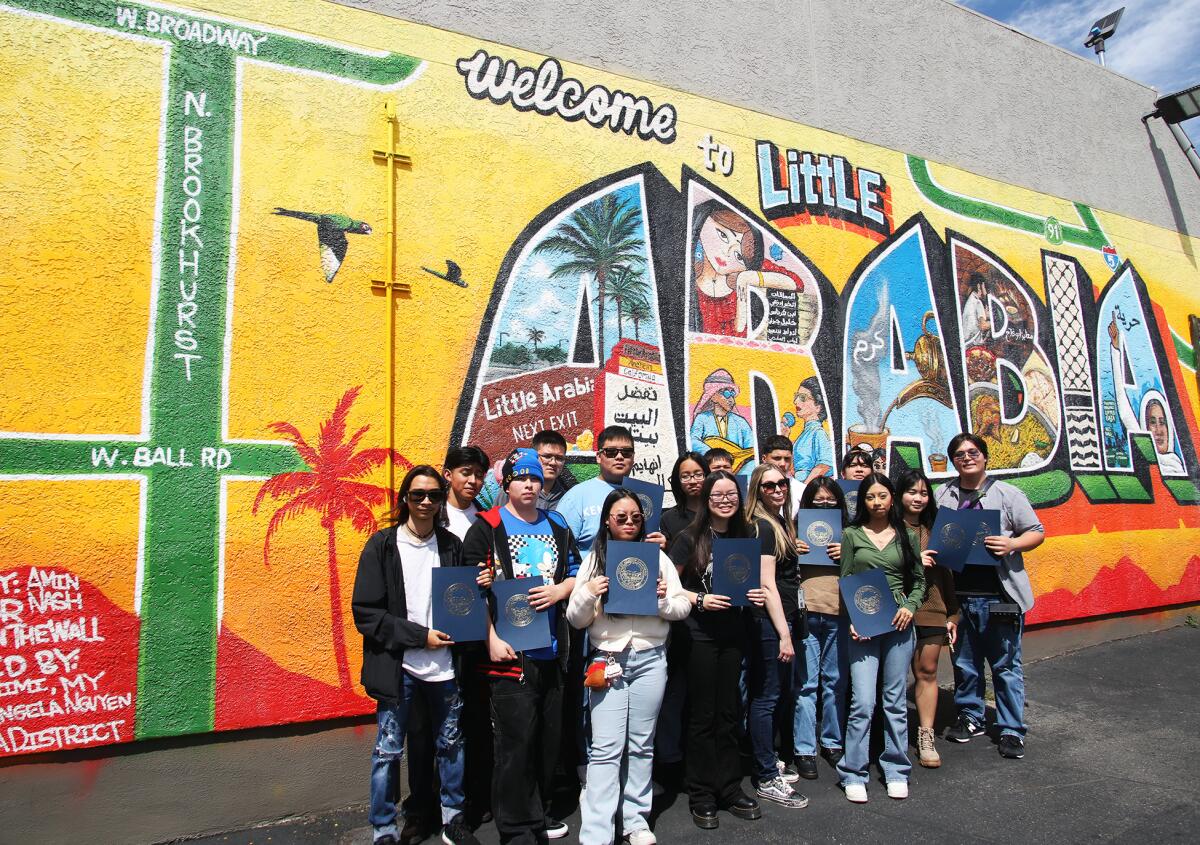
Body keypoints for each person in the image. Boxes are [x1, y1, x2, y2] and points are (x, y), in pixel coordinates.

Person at [351, 466, 486, 845]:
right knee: (388, 752)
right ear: (405, 499)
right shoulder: (382, 545)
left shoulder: (450, 545)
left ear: (442, 500)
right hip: (401, 669)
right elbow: (366, 613)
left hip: (445, 669)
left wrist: (480, 586)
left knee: (451, 745)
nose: (426, 502)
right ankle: (384, 829)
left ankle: (453, 819)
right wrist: (419, 636)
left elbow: (460, 602)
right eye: (417, 495)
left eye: (433, 495)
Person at [462, 449, 581, 843]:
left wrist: (561, 588)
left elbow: (579, 573)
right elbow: (467, 592)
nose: (529, 485)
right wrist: (490, 637)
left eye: (534, 478)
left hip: (551, 648)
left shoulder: (558, 524)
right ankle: (514, 826)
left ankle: (540, 812)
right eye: (521, 478)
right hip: (510, 654)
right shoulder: (487, 526)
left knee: (548, 739)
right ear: (506, 484)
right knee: (515, 741)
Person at [567, 489, 691, 845]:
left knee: (641, 745)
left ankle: (635, 820)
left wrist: (664, 599)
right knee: (605, 748)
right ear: (607, 519)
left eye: (635, 517)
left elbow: (681, 608)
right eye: (621, 517)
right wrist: (590, 591)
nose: (628, 523)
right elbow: (576, 620)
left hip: (651, 660)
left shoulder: (657, 558)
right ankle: (597, 830)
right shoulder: (594, 559)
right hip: (608, 661)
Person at [936, 433, 1045, 760]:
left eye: (972, 452)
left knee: (1006, 664)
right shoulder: (944, 495)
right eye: (959, 454)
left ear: (985, 457)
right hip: (959, 597)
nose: (966, 458)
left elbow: (1036, 531)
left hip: (1000, 595)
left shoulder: (1008, 494)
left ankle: (1012, 729)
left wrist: (1012, 544)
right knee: (965, 663)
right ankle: (971, 717)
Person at [670, 470, 766, 829]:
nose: (725, 500)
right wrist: (700, 599)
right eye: (717, 495)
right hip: (699, 636)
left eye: (731, 494)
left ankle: (729, 788)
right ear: (706, 500)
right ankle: (701, 793)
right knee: (701, 716)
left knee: (729, 713)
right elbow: (668, 587)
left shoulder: (745, 536)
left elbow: (752, 584)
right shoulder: (688, 538)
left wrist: (755, 594)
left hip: (734, 636)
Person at [836, 473, 928, 803]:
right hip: (863, 628)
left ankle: (896, 769)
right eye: (870, 497)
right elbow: (845, 581)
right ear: (863, 501)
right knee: (862, 701)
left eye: (883, 496)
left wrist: (910, 607)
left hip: (900, 626)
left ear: (892, 499)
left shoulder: (907, 536)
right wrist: (852, 620)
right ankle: (854, 771)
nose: (877, 502)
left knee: (895, 702)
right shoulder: (851, 535)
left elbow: (919, 582)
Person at [744, 464, 809, 809]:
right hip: (771, 623)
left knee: (777, 693)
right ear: (757, 490)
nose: (777, 489)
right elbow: (766, 585)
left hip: (784, 618)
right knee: (767, 696)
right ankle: (766, 775)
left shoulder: (781, 522)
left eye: (781, 483)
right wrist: (784, 634)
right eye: (768, 486)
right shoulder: (763, 528)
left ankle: (767, 758)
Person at [897, 469, 958, 769]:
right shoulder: (888, 529)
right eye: (912, 491)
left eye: (923, 492)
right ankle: (891, 737)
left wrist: (953, 614)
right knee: (894, 679)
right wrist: (911, 560)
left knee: (928, 671)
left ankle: (926, 736)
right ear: (900, 494)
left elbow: (947, 574)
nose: (918, 498)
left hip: (932, 609)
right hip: (897, 611)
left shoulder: (938, 529)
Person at [655, 451, 709, 785]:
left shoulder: (722, 512)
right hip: (678, 611)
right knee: (674, 689)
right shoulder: (668, 519)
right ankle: (670, 758)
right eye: (685, 475)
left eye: (697, 473)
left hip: (715, 611)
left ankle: (697, 757)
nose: (692, 480)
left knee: (703, 691)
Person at [792, 477, 848, 779]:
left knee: (835, 682)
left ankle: (832, 742)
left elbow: (867, 567)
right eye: (818, 500)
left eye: (830, 500)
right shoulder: (793, 528)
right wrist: (793, 548)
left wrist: (848, 553)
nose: (824, 505)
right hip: (806, 611)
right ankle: (804, 749)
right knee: (806, 683)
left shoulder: (849, 532)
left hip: (839, 611)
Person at [688, 199, 799, 337]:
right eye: (723, 235)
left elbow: (795, 282)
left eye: (739, 256)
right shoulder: (686, 267)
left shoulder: (746, 272)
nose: (727, 253)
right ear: (703, 219)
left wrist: (749, 277)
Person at [558, 426, 668, 554]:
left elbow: (650, 539)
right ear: (598, 457)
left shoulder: (646, 497)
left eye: (626, 452)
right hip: (590, 572)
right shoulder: (576, 497)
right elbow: (562, 547)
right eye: (611, 452)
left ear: (633, 458)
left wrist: (660, 543)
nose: (619, 457)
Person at [479, 431, 579, 509]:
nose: (553, 462)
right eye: (547, 456)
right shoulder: (512, 492)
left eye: (559, 458)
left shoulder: (566, 499)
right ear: (534, 457)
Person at [689, 369, 756, 474]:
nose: (731, 400)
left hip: (737, 470)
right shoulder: (702, 418)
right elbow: (693, 441)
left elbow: (752, 448)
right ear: (714, 396)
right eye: (726, 393)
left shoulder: (741, 422)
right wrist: (715, 455)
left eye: (732, 394)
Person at [790, 378, 834, 483]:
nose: (795, 401)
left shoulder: (818, 433)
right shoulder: (806, 433)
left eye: (802, 398)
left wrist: (804, 488)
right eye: (796, 396)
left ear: (818, 407)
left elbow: (824, 465)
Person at [444, 446, 489, 539]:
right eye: (465, 473)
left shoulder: (486, 519)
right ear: (448, 475)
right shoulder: (432, 513)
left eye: (479, 475)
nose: (473, 480)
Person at [761, 434, 803, 514]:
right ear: (764, 459)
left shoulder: (801, 491)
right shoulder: (750, 489)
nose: (783, 463)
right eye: (777, 458)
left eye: (787, 459)